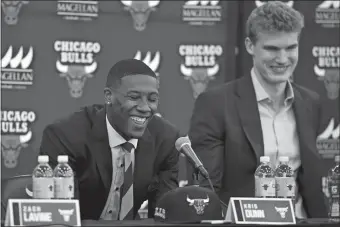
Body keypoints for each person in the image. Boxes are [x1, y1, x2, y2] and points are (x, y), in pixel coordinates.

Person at [188, 1, 327, 218]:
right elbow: (206, 189)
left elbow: (310, 182)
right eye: (272, 48)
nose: (282, 59)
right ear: (250, 46)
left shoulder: (311, 102)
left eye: (290, 48)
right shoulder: (215, 103)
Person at [40, 59, 180, 220]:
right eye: (134, 97)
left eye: (152, 99)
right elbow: (62, 218)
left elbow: (164, 217)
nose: (145, 108)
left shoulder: (166, 140)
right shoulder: (66, 136)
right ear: (108, 96)